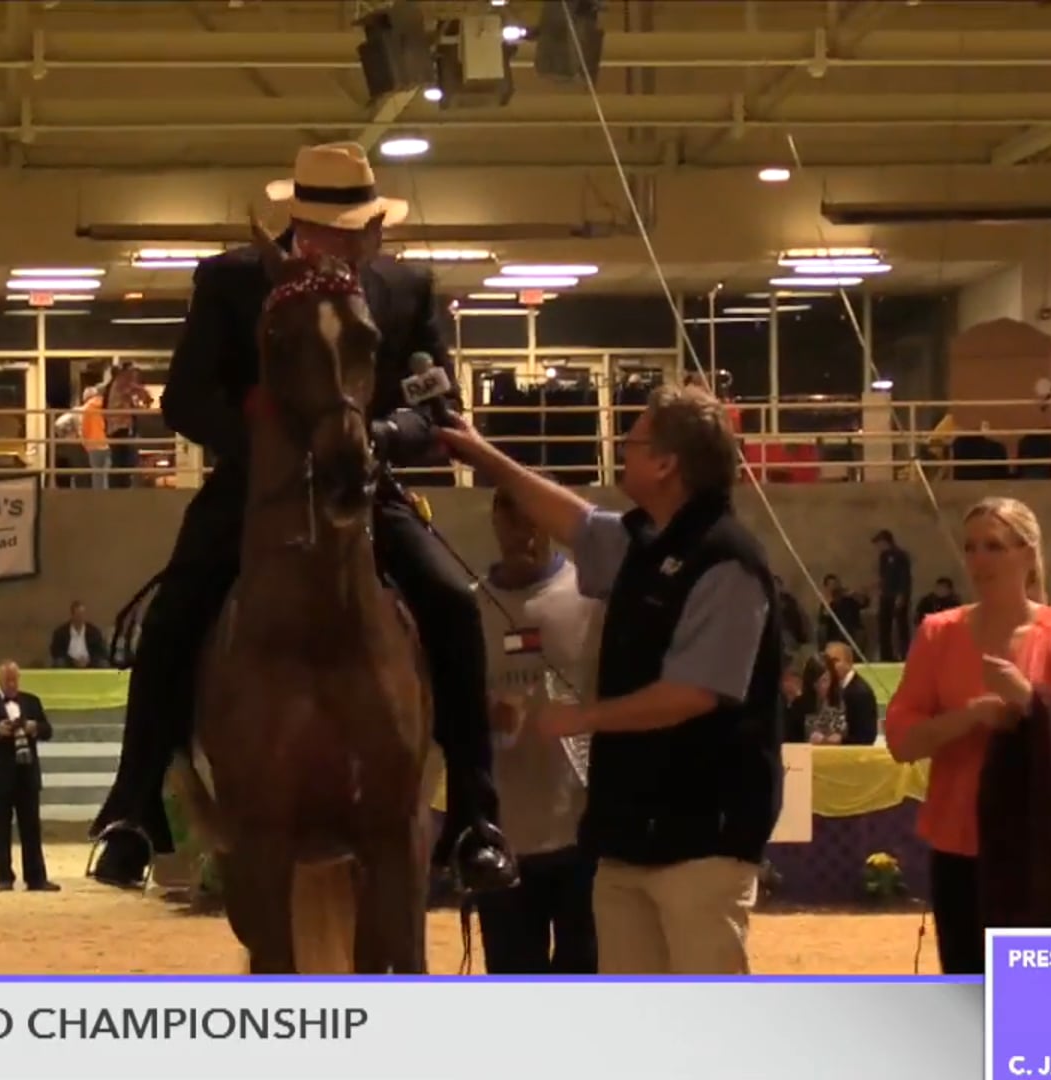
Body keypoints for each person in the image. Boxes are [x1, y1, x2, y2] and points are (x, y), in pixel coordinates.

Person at [87, 141, 517, 895]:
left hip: (366, 482)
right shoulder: (228, 283)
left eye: (365, 228)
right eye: (344, 230)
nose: (360, 243)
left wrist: (380, 439)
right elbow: (187, 396)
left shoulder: (405, 289)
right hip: (258, 487)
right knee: (175, 611)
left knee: (449, 599)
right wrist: (268, 448)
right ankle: (133, 807)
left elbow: (436, 407)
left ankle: (477, 815)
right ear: (303, 228)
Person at [436, 383, 783, 975]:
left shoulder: (727, 560)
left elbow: (694, 692)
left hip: (703, 838)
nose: (622, 447)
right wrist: (482, 455)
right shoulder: (646, 541)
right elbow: (576, 521)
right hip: (625, 833)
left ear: (667, 463)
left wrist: (580, 718)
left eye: (635, 439)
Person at [883, 497, 1051, 974]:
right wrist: (970, 718)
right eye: (971, 548)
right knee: (966, 991)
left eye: (994, 547)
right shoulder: (938, 633)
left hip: (1036, 849)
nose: (979, 560)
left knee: (1035, 1000)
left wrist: (1028, 699)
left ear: (1028, 554)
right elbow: (902, 739)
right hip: (957, 848)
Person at [474, 485, 600, 974]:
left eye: (531, 522)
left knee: (584, 982)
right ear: (495, 524)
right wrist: (484, 712)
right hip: (501, 841)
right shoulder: (470, 608)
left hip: (581, 835)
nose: (522, 533)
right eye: (509, 520)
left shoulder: (589, 598)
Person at [0, 662, 58, 893]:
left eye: (14, 680)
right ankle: (4, 878)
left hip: (27, 774)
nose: (11, 684)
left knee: (31, 828)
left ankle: (36, 878)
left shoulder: (32, 701)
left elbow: (48, 730)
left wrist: (34, 727)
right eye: (7, 680)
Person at [872, 529, 913, 661]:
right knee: (884, 626)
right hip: (886, 595)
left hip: (898, 595)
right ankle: (886, 656)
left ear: (885, 541)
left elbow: (904, 577)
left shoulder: (900, 555)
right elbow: (883, 576)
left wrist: (901, 595)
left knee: (901, 627)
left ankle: (905, 654)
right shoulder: (883, 557)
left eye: (879, 543)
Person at [49, 600, 108, 668]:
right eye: (78, 615)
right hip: (68, 662)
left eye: (83, 614)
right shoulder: (61, 632)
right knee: (59, 663)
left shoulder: (94, 632)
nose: (80, 618)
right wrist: (73, 661)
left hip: (90, 662)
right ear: (72, 615)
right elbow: (55, 651)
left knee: (103, 664)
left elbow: (100, 651)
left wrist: (88, 660)